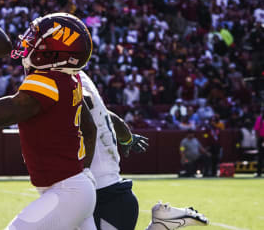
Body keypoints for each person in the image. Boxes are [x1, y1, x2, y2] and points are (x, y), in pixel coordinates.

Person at [0, 13, 98, 230]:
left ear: (55, 54)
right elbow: (90, 130)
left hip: (67, 193)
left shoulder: (47, 83)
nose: (27, 41)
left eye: (37, 39)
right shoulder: (70, 79)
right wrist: (85, 171)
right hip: (75, 189)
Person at [80, 71, 208, 230]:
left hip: (104, 196)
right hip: (103, 193)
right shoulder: (76, 77)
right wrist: (127, 138)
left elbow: (85, 107)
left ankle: (162, 224)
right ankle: (161, 223)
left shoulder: (67, 80)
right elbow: (109, 117)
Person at [254, 107, 264, 177]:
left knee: (260, 156)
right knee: (260, 156)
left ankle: (259, 172)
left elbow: (256, 130)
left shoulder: (259, 119)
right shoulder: (259, 119)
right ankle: (259, 172)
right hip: (261, 139)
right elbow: (256, 129)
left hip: (261, 139)